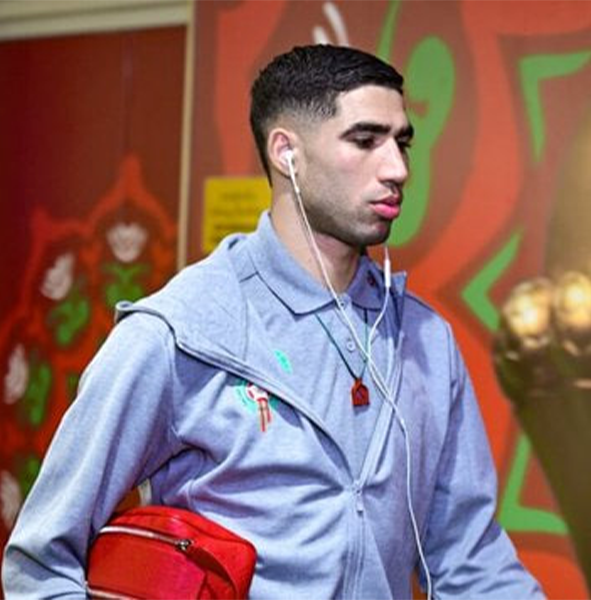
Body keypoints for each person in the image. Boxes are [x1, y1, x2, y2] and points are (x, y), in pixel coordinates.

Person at [2, 44, 543, 598]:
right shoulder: (176, 333)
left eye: (401, 142)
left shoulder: (424, 340)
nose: (397, 169)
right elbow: (40, 565)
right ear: (287, 153)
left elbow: (470, 560)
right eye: (365, 140)